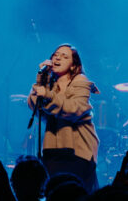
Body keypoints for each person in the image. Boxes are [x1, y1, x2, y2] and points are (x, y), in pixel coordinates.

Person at [28, 43, 99, 192]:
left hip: (76, 152)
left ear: (73, 65)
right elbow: (33, 104)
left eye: (64, 56)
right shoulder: (49, 83)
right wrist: (42, 79)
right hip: (52, 151)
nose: (57, 58)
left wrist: (47, 94)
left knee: (73, 197)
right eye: (55, 55)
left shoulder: (81, 81)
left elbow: (73, 109)